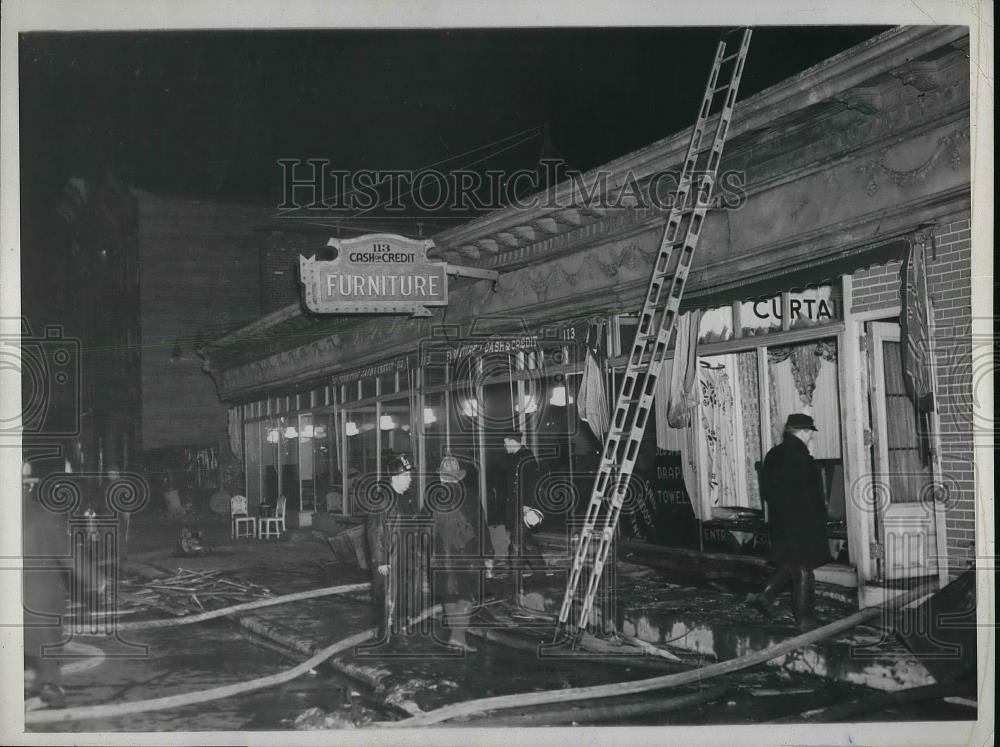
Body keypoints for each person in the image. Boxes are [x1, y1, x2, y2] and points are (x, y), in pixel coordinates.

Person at [747, 413, 830, 631]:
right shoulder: (802, 458)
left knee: (790, 561)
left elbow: (766, 492)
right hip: (802, 521)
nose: (811, 437)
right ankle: (805, 620)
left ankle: (764, 597)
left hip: (781, 520)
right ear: (804, 432)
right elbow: (811, 497)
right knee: (803, 568)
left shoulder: (774, 454)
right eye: (810, 433)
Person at [431, 455, 492, 652]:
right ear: (458, 477)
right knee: (466, 596)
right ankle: (458, 638)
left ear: (441, 477)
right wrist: (489, 554)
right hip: (468, 557)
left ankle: (454, 636)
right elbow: (481, 528)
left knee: (449, 595)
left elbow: (424, 531)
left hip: (442, 558)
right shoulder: (471, 498)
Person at [365, 453, 413, 641]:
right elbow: (375, 531)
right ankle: (384, 640)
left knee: (400, 598)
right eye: (406, 476)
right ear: (394, 477)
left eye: (410, 475)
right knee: (386, 601)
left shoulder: (405, 500)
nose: (410, 479)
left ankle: (398, 631)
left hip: (401, 558)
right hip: (389, 561)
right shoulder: (383, 499)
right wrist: (381, 560)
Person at [501, 432, 546, 576]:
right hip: (516, 508)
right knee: (526, 542)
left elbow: (532, 483)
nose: (504, 445)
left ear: (513, 442)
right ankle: (541, 572)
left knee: (516, 541)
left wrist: (527, 506)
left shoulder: (527, 458)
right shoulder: (513, 459)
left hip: (524, 508)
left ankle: (514, 576)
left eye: (506, 442)